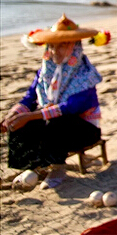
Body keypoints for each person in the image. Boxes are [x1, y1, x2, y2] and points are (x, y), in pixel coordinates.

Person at [2, 15, 110, 190]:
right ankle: (31, 167)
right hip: (52, 124)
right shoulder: (45, 72)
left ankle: (58, 169)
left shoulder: (86, 75)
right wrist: (15, 114)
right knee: (20, 120)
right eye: (51, 46)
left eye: (62, 45)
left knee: (57, 122)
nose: (55, 51)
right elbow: (30, 98)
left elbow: (71, 107)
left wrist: (31, 116)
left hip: (82, 130)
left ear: (75, 47)